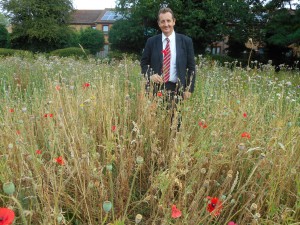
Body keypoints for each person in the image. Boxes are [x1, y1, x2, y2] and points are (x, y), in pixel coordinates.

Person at [140, 7, 196, 100]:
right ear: (159, 23)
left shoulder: (186, 41)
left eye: (168, 21)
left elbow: (191, 68)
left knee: (176, 114)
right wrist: (150, 75)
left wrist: (188, 89)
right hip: (155, 90)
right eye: (162, 21)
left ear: (174, 21)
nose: (166, 24)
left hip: (178, 90)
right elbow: (144, 63)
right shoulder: (151, 42)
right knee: (156, 114)